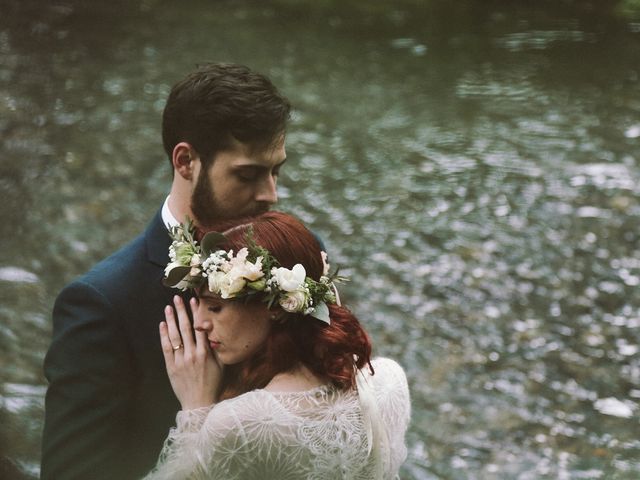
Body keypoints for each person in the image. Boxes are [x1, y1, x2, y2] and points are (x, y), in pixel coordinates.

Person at [41, 63, 291, 480]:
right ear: (186, 160)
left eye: (276, 170)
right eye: (248, 175)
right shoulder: (102, 304)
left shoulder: (297, 257)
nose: (271, 194)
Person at [143, 211, 411, 479]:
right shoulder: (389, 382)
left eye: (215, 307)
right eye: (197, 303)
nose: (198, 322)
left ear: (277, 308)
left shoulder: (239, 424)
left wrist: (195, 411)